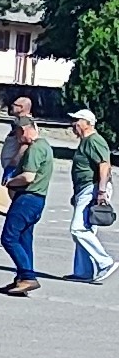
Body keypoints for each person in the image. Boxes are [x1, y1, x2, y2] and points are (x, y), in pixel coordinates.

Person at [0, 99, 50, 297]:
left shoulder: (35, 148)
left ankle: (28, 276)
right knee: (24, 239)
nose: (18, 139)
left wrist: (10, 182)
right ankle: (22, 278)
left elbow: (28, 177)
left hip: (28, 198)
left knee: (9, 238)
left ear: (24, 130)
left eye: (18, 134)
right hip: (36, 199)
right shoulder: (44, 145)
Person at [69, 109, 113, 285]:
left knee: (78, 229)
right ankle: (83, 272)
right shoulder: (85, 141)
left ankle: (105, 262)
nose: (73, 124)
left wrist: (101, 192)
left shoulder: (94, 140)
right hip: (85, 189)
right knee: (85, 231)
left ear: (88, 123)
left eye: (77, 120)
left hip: (93, 188)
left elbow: (104, 165)